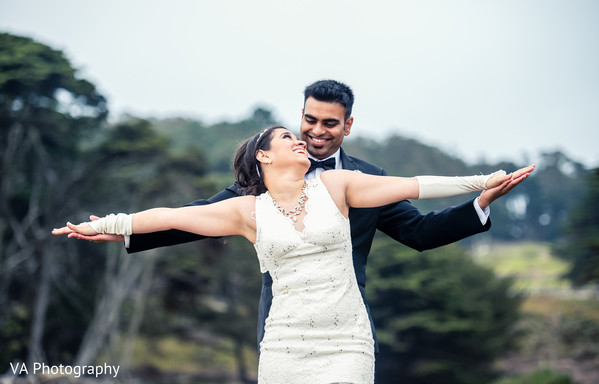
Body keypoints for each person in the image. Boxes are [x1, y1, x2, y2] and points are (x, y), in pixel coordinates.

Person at [64, 80, 532, 353]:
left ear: (348, 125)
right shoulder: (264, 179)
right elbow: (201, 215)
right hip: (283, 317)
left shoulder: (366, 178)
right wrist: (124, 231)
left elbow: (421, 232)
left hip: (346, 318)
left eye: (329, 123)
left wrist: (481, 200)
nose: (315, 132)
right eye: (309, 120)